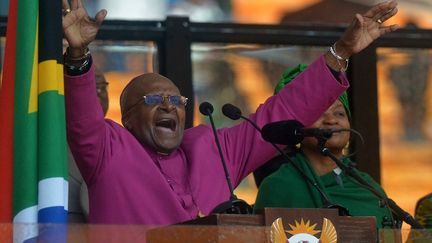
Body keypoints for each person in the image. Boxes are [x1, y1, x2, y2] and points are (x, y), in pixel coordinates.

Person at [61, 0, 399, 224]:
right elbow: (83, 123)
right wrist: (77, 56)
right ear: (128, 119)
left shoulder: (214, 150)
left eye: (177, 101)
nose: (168, 106)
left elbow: (282, 111)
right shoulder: (109, 149)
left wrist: (341, 52)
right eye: (153, 101)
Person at [253, 64, 395, 229]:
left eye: (339, 114)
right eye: (319, 113)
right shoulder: (278, 186)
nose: (331, 120)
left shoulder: (368, 189)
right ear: (297, 128)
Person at [67, 66, 109, 223]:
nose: (97, 93)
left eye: (101, 87)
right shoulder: (45, 145)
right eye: (90, 86)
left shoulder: (125, 143)